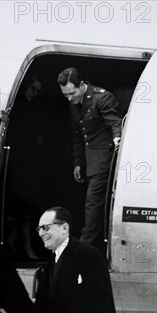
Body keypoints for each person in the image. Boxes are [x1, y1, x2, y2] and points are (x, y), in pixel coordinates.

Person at [57, 67, 123, 253]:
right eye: (65, 95)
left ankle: (84, 247)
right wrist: (78, 162)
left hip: (104, 159)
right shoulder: (73, 102)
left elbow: (115, 122)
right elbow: (78, 134)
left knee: (93, 203)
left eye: (71, 93)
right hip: (89, 160)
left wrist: (117, 137)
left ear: (82, 85)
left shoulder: (102, 97)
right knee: (90, 203)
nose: (70, 98)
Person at [5, 75, 45, 260]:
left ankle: (16, 243)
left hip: (27, 164)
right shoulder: (18, 108)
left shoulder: (32, 108)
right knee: (19, 211)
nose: (35, 93)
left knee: (24, 211)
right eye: (33, 89)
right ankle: (22, 246)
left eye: (38, 90)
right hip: (17, 165)